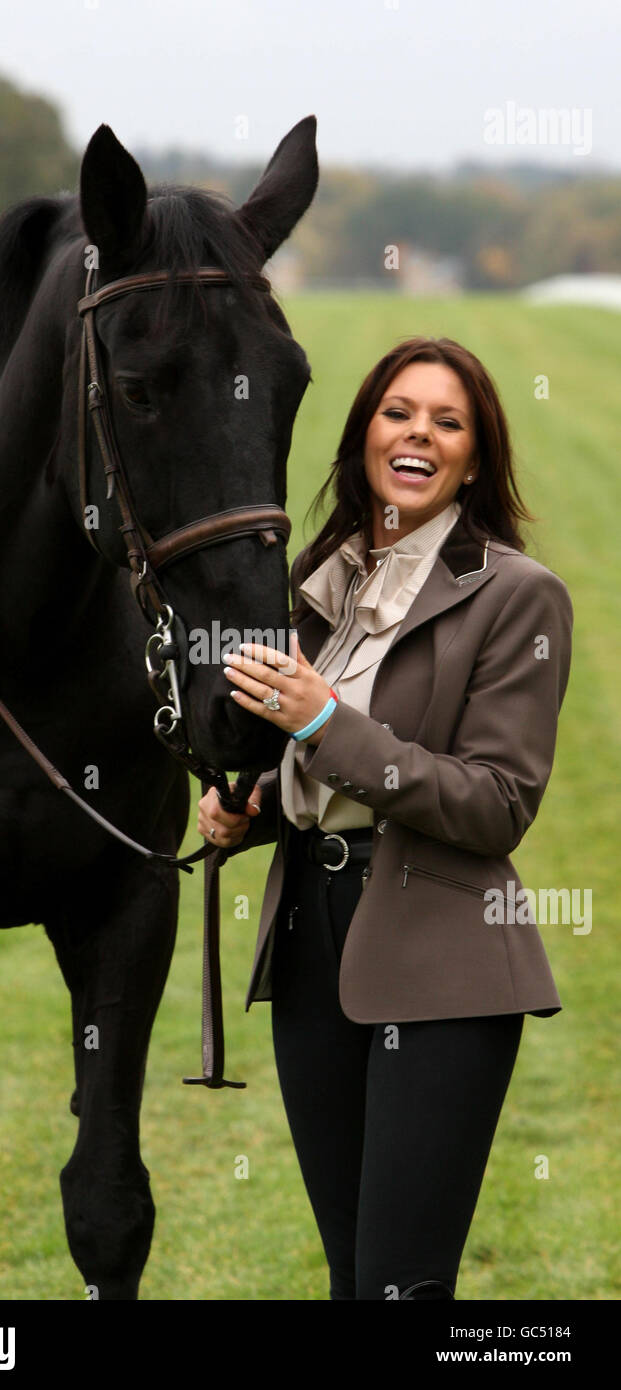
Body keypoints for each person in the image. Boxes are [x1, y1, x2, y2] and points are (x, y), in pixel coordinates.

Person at [197, 336, 573, 1301]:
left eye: (447, 422)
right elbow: (335, 778)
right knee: (351, 1273)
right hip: (311, 946)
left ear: (474, 459)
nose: (418, 434)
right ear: (365, 432)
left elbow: (493, 805)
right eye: (398, 412)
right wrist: (260, 810)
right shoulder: (325, 581)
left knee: (400, 1286)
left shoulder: (517, 596)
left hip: (439, 963)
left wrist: (323, 718)